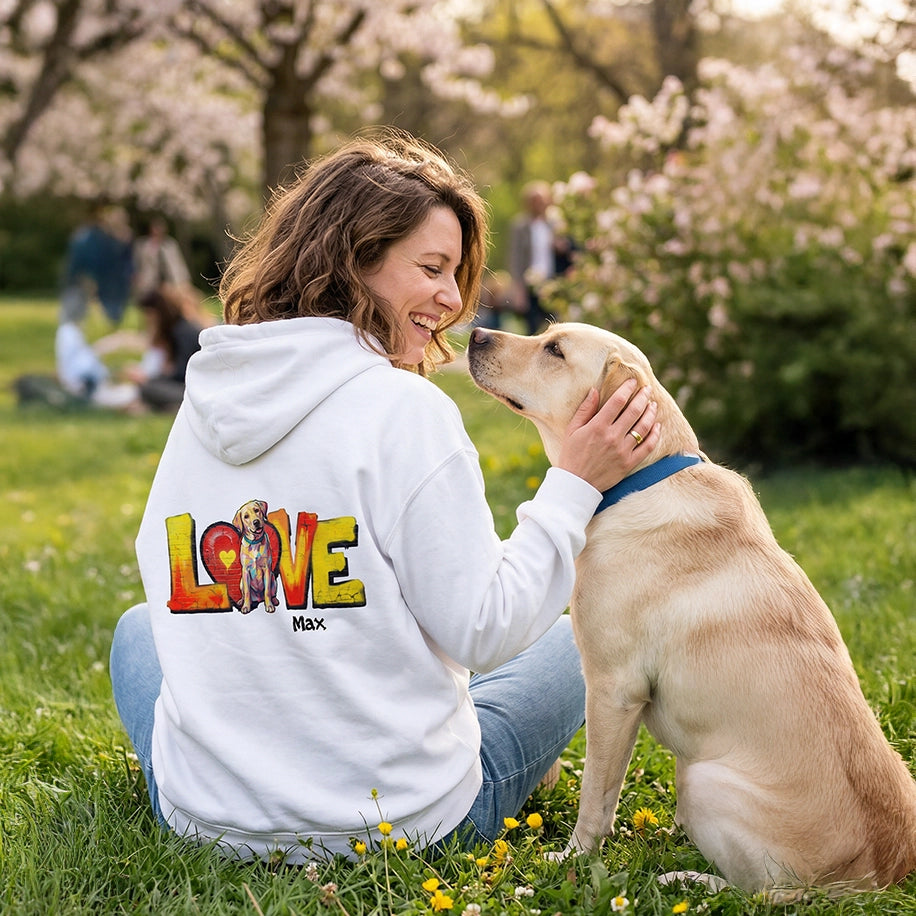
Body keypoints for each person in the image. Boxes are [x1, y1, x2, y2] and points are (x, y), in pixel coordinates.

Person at [109, 130, 660, 864]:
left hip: (207, 821)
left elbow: (171, 580)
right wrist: (574, 486)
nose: (453, 299)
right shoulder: (405, 410)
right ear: (352, 257)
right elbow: (485, 631)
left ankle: (242, 780)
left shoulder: (204, 401)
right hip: (399, 825)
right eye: (431, 268)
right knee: (564, 642)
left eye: (455, 274)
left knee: (138, 629)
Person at [123, 285, 209, 412]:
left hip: (195, 391)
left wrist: (151, 378)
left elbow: (182, 374)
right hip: (190, 388)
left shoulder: (182, 332)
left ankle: (173, 406)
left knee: (148, 388)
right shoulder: (179, 329)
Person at [507, 180, 574, 335]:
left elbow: (571, 250)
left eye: (541, 200)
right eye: (534, 201)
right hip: (531, 285)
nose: (538, 205)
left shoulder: (557, 223)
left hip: (554, 283)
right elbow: (515, 258)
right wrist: (518, 290)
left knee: (556, 326)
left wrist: (561, 247)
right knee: (532, 328)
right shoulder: (520, 226)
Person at [133, 216, 193, 300]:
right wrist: (137, 278)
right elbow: (135, 263)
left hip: (169, 282)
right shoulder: (142, 245)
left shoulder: (170, 245)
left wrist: (184, 280)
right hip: (148, 283)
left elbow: (178, 263)